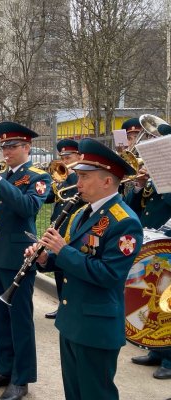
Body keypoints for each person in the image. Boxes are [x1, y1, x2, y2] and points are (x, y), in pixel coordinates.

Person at [26, 137, 143, 400]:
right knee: (74, 392)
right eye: (78, 176)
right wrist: (45, 258)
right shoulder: (81, 213)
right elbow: (70, 259)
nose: (77, 183)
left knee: (95, 393)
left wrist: (62, 250)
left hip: (96, 327)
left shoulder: (125, 223)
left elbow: (109, 275)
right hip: (72, 319)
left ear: (107, 180)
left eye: (84, 177)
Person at [0, 122, 51, 400]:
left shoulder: (37, 176)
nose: (6, 151)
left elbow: (29, 207)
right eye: (3, 146)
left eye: (12, 146)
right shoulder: (0, 175)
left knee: (20, 319)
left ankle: (22, 378)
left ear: (27, 148)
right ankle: (4, 369)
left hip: (18, 255)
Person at [124, 123, 171, 380]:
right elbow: (134, 206)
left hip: (167, 244)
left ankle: (169, 357)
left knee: (166, 300)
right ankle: (155, 348)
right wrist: (141, 185)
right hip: (149, 239)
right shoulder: (154, 174)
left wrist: (162, 179)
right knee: (150, 297)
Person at [43, 139, 84, 319]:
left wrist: (72, 175)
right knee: (59, 268)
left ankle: (70, 306)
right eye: (63, 157)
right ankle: (62, 304)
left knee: (70, 269)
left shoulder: (78, 178)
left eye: (68, 157)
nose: (65, 161)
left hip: (74, 229)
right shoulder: (63, 177)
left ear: (78, 156)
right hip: (59, 227)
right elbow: (50, 198)